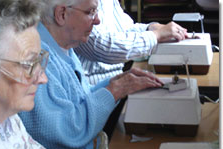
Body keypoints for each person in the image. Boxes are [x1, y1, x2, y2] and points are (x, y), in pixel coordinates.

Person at [0, 0, 180, 149]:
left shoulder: (7, 123)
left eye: (40, 61)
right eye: (29, 65)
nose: (42, 78)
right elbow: (65, 134)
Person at [19, 0, 165, 149]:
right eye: (90, 12)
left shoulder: (62, 47)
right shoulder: (37, 58)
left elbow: (80, 99)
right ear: (61, 14)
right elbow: (65, 134)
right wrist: (113, 91)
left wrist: (117, 83)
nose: (97, 20)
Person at [74, 0, 189, 139]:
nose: (96, 19)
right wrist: (156, 36)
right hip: (93, 97)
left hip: (111, 86)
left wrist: (152, 28)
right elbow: (101, 47)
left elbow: (125, 29)